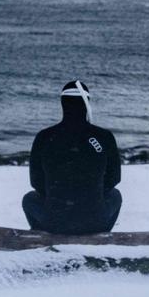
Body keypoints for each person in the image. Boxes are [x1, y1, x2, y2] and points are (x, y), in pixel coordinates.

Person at [22, 80, 122, 234]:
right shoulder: (104, 136)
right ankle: (100, 235)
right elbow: (114, 179)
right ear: (87, 103)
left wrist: (60, 199)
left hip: (54, 222)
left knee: (29, 199)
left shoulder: (44, 136)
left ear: (62, 103)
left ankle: (41, 234)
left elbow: (36, 182)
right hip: (94, 221)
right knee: (116, 195)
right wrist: (89, 196)